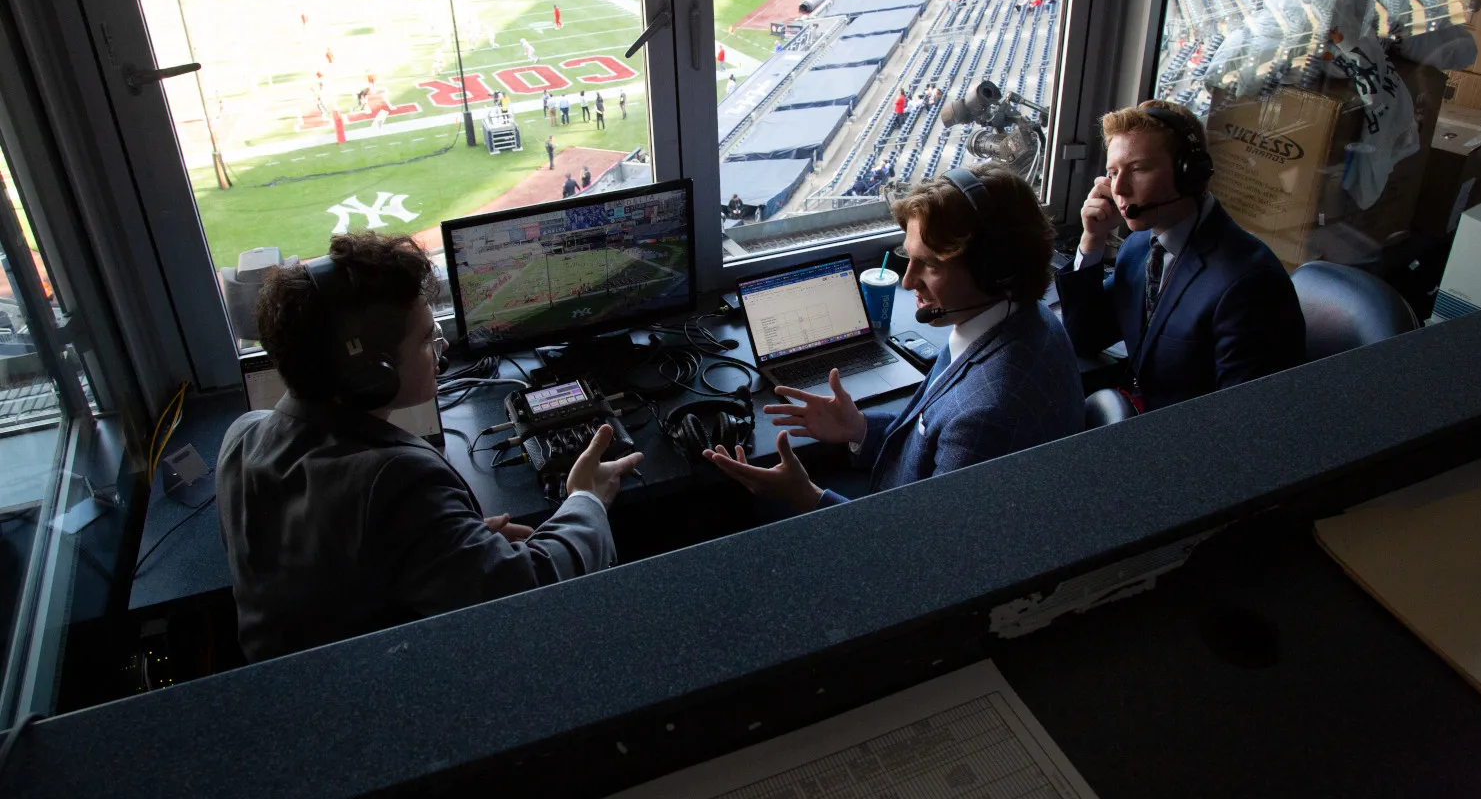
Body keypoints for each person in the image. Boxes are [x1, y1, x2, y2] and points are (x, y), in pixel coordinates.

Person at [217, 233, 639, 661]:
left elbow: (335, 574)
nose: (439, 348)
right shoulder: (396, 480)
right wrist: (586, 498)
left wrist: (446, 545)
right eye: (424, 339)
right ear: (371, 373)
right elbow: (534, 589)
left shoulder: (242, 437)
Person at [703, 164, 1084, 511]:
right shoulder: (1023, 319)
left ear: (995, 271)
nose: (907, 280)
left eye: (931, 264)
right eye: (908, 255)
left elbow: (921, 546)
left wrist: (806, 498)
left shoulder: (987, 418)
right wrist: (859, 428)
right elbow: (926, 433)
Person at [1055, 100, 1306, 411]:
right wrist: (1092, 240)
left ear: (1190, 174)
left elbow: (1244, 419)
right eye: (1112, 171)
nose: (1118, 188)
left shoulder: (1249, 285)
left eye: (1138, 169)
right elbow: (1085, 337)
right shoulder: (1138, 247)